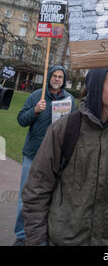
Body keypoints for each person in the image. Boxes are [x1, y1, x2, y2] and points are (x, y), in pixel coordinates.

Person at [22, 67, 108, 246]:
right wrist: (37, 241)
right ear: (95, 87)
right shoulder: (65, 128)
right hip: (64, 239)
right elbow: (37, 189)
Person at [13, 65, 76, 246]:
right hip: (33, 154)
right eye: (54, 76)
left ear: (64, 80)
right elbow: (21, 120)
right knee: (26, 197)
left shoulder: (69, 100)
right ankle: (21, 234)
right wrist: (35, 111)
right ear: (49, 77)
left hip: (55, 158)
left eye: (60, 77)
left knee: (49, 197)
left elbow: (74, 127)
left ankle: (42, 233)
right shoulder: (36, 96)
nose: (57, 79)